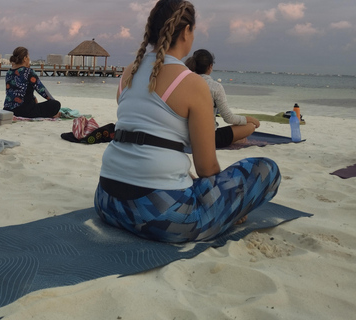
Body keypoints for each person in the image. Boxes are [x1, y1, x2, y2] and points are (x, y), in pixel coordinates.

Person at [94, 0, 281, 243]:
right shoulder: (193, 84)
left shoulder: (129, 71)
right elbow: (206, 169)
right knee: (267, 170)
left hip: (107, 202)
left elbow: (149, 139)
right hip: (160, 217)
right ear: (186, 31)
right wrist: (227, 203)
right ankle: (227, 213)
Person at [185, 49, 260, 148]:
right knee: (250, 127)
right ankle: (235, 140)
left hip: (186, 136)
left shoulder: (185, 83)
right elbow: (228, 118)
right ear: (210, 66)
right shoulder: (215, 87)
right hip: (208, 138)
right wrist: (249, 119)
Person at [4, 47, 61, 118]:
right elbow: (42, 90)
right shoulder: (28, 72)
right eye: (28, 56)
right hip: (25, 111)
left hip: (8, 109)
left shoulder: (9, 72)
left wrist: (33, 98)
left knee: (34, 101)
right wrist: (52, 101)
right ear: (25, 58)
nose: (29, 59)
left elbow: (15, 90)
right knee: (56, 104)